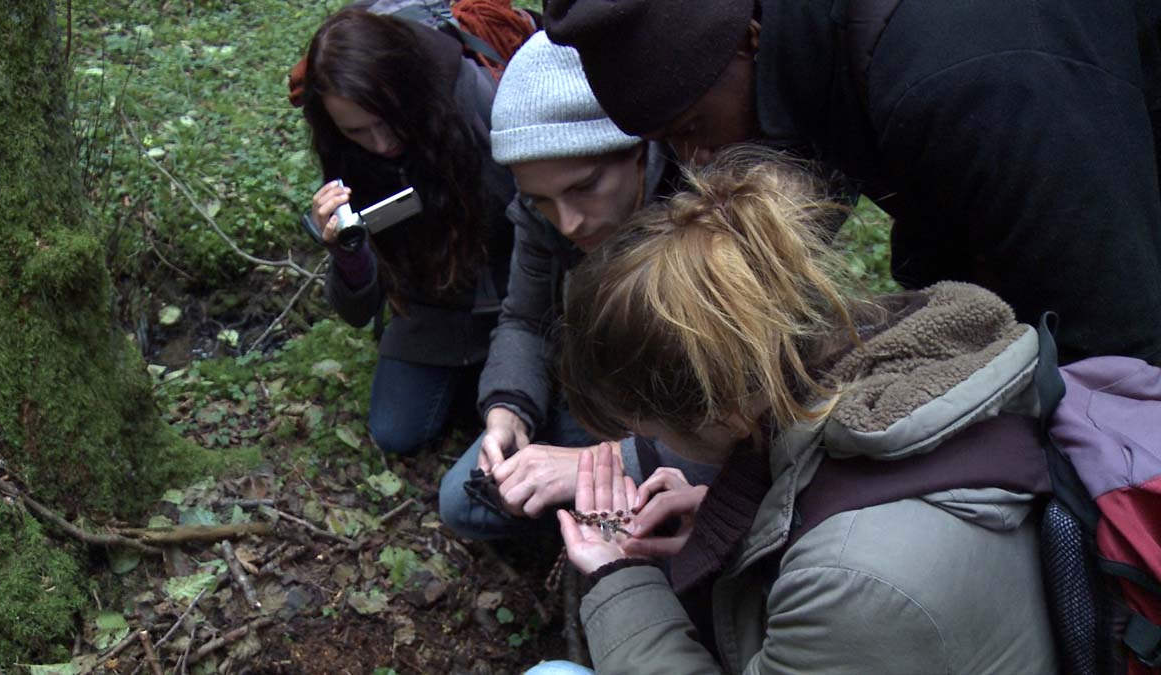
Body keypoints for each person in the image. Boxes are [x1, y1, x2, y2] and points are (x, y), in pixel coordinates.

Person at [543, 149, 1058, 673]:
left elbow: (850, 584)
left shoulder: (851, 577)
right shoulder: (897, 372)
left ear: (725, 413)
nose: (641, 438)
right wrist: (744, 516)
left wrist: (620, 580)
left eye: (641, 425)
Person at [543, 0, 1161, 365]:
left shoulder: (965, 79)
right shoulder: (813, 49)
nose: (699, 162)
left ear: (747, 41)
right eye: (671, 145)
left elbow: (1115, 343)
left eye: (694, 127)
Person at [437, 33, 717, 540]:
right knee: (467, 501)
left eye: (584, 187)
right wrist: (507, 408)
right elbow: (525, 317)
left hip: (691, 430)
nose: (566, 221)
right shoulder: (542, 216)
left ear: (637, 154)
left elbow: (743, 417)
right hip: (597, 399)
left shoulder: (704, 212)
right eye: (540, 198)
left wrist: (603, 461)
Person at [299, 7, 517, 455]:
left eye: (386, 120)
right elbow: (358, 310)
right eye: (358, 130)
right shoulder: (345, 151)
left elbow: (539, 229)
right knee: (395, 432)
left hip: (512, 304)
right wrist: (348, 252)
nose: (380, 143)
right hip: (429, 313)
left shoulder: (474, 101)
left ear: (408, 90)